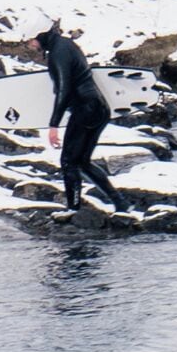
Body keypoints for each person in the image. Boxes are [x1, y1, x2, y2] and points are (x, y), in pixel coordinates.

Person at [37, 21, 125, 215]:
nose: (29, 45)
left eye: (30, 40)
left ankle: (73, 210)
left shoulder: (58, 53)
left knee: (68, 162)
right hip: (99, 109)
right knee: (82, 162)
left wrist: (53, 125)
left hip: (85, 110)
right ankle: (121, 204)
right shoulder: (67, 44)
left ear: (40, 35)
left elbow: (64, 89)